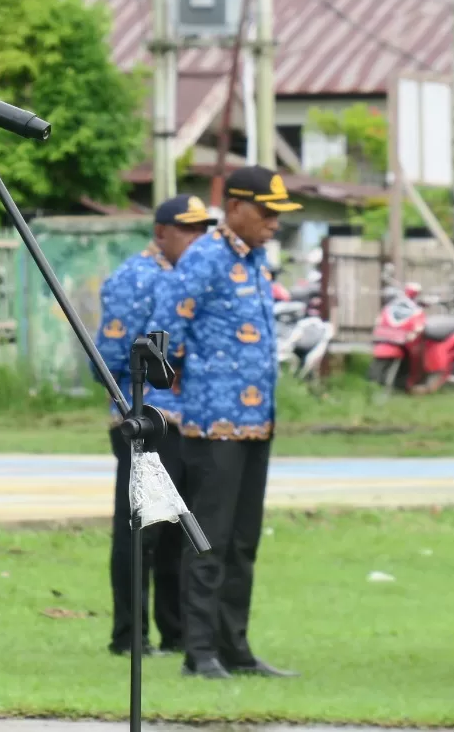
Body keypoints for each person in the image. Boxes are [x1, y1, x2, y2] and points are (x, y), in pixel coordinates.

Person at [149, 166, 299, 680]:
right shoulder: (206, 258)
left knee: (242, 542)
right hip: (214, 424)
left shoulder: (255, 262)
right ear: (235, 207)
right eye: (267, 212)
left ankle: (235, 646)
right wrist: (176, 385)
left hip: (256, 422)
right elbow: (164, 328)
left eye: (279, 214)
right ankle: (199, 652)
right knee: (208, 540)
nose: (274, 223)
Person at [93, 194, 216, 656]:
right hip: (144, 421)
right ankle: (129, 635)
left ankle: (175, 631)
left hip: (188, 420)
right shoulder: (135, 278)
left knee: (177, 528)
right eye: (188, 230)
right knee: (141, 528)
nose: (197, 239)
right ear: (161, 232)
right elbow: (108, 356)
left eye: (203, 230)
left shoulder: (191, 277)